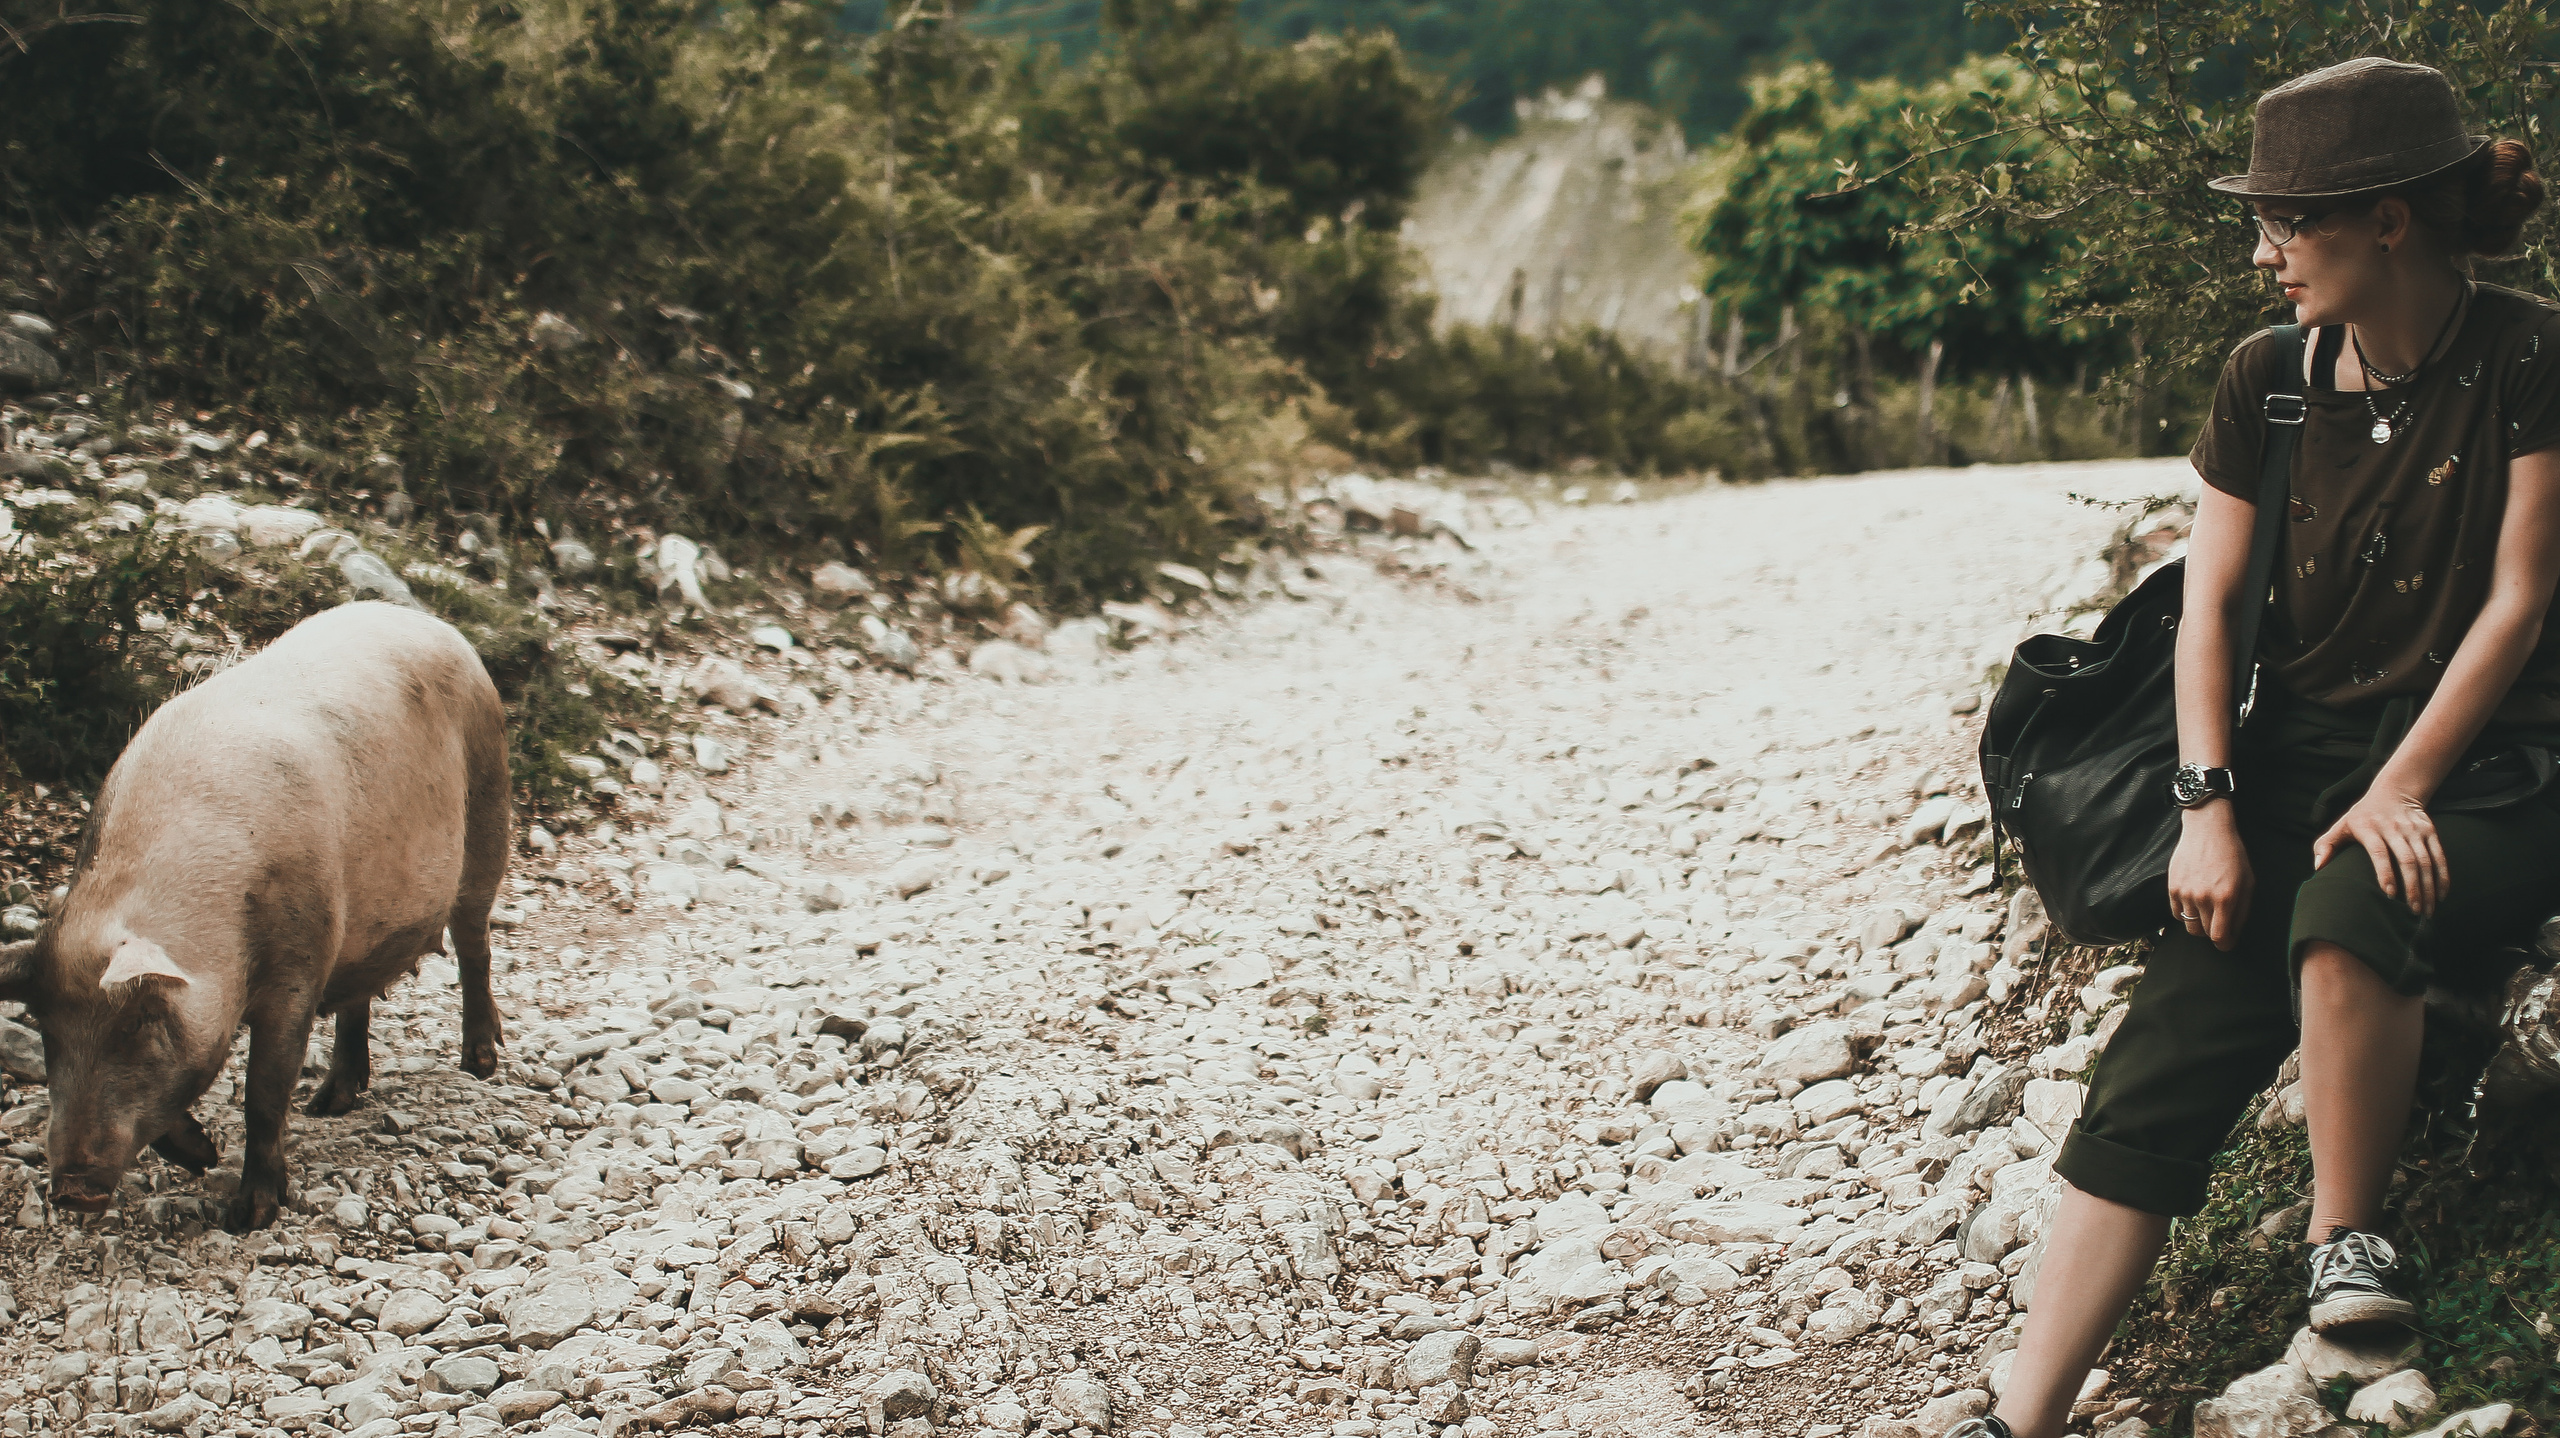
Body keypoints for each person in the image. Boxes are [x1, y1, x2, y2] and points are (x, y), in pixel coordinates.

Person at [1942, 57, 2560, 1438]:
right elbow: (2209, 609)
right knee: (2163, 1049)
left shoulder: (2530, 354)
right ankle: (2023, 1418)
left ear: (2387, 220)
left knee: (2352, 901)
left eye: (2289, 220)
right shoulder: (2268, 382)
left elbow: (2520, 599)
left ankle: (2348, 1246)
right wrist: (2207, 806)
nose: (2263, 252)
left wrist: (2401, 788)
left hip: (2496, 760)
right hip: (2288, 760)